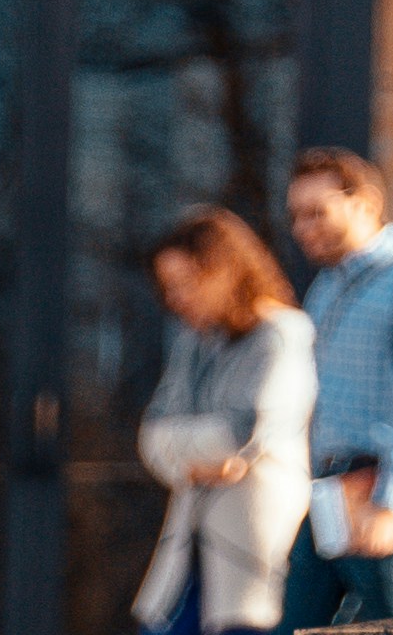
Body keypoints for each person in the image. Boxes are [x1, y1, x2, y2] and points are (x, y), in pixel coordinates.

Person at [128, 207, 314, 635]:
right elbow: (151, 434)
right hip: (187, 548)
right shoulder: (194, 341)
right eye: (168, 288)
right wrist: (191, 464)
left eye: (187, 283)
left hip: (252, 549)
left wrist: (187, 448)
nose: (177, 298)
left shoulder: (282, 333)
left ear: (226, 271)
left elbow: (244, 430)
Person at [277, 151, 393, 627]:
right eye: (296, 215)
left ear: (367, 204)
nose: (302, 227)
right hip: (327, 490)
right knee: (295, 621)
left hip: (375, 489)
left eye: (317, 212)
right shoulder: (325, 286)